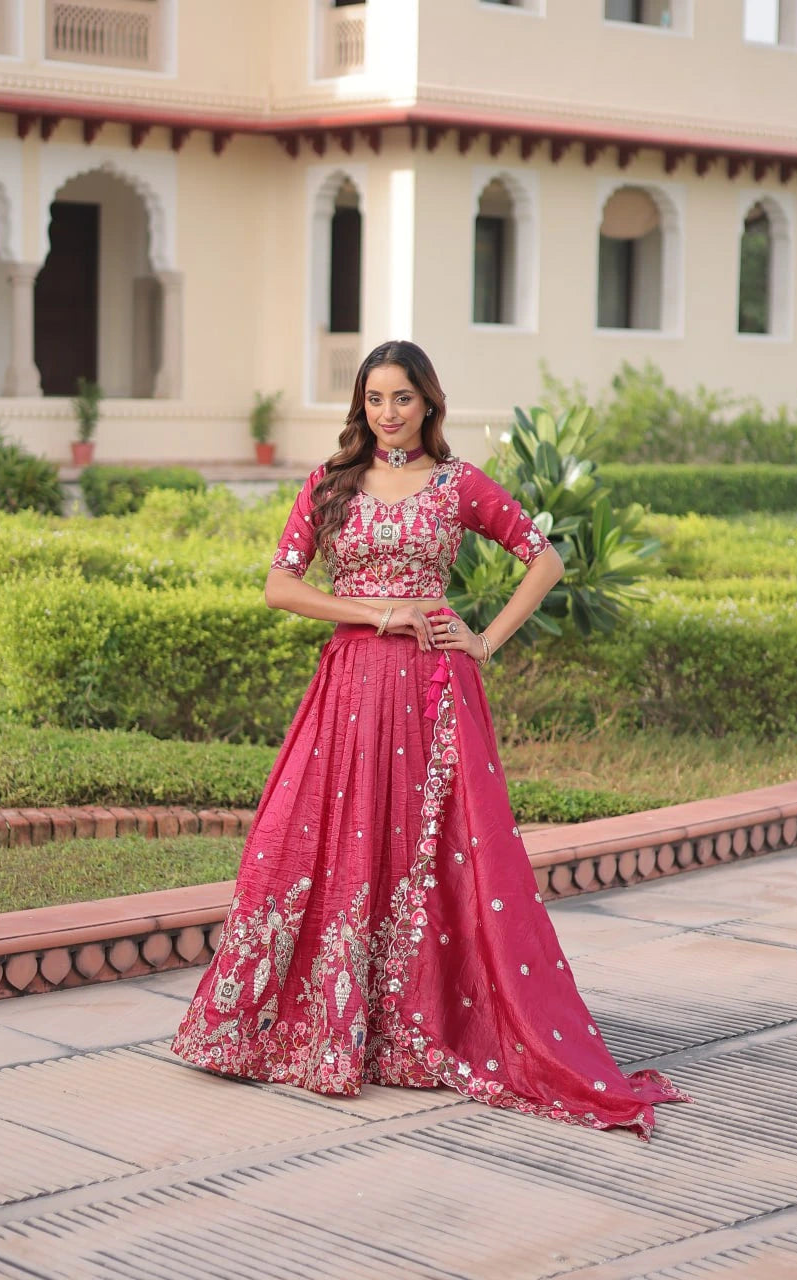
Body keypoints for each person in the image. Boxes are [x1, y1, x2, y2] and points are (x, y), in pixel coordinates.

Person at [171, 340, 688, 1140]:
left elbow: (541, 558)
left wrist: (483, 639)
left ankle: (412, 1028)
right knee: (306, 842)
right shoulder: (330, 482)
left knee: (431, 854)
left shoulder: (457, 485)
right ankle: (302, 1023)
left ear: (428, 404)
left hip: (432, 694)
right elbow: (279, 585)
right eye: (374, 399)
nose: (387, 415)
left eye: (402, 400)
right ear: (360, 405)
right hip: (347, 689)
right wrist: (376, 613)